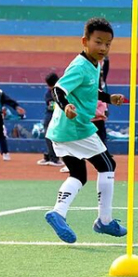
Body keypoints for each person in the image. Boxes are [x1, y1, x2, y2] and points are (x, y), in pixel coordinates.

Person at [44, 17, 128, 244]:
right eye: (98, 42)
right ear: (85, 41)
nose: (103, 48)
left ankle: (58, 213)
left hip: (60, 131)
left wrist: (108, 98)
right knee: (108, 165)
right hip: (75, 128)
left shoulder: (94, 64)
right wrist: (66, 106)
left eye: (108, 44)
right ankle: (105, 220)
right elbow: (58, 90)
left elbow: (90, 90)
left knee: (78, 175)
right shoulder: (80, 66)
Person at [37, 72, 63, 167]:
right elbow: (51, 106)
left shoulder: (60, 90)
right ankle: (52, 156)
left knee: (56, 138)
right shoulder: (50, 93)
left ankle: (54, 157)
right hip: (51, 116)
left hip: (59, 116)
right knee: (49, 137)